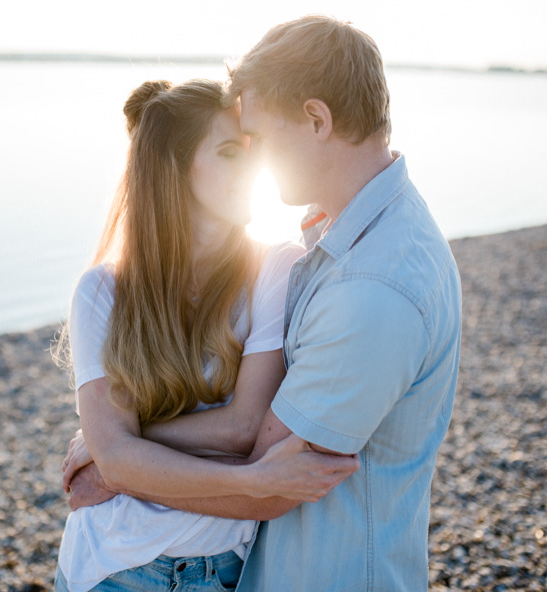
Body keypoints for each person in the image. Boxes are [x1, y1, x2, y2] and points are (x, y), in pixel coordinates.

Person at [66, 15, 463, 591]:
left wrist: (118, 464)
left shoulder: (372, 286)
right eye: (235, 147)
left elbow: (270, 476)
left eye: (260, 139)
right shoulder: (344, 238)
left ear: (316, 119)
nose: (257, 161)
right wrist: (115, 447)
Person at [53, 78, 359, 592]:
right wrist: (253, 481)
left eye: (249, 152)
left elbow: (243, 428)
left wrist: (121, 446)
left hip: (224, 573)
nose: (251, 169)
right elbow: (131, 458)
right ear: (172, 171)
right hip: (109, 569)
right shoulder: (101, 292)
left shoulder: (274, 268)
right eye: (227, 153)